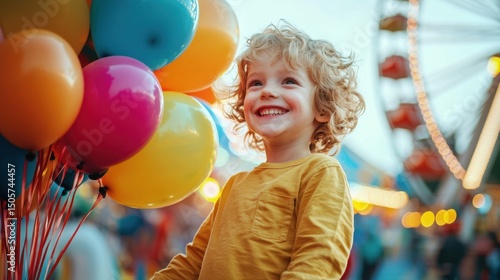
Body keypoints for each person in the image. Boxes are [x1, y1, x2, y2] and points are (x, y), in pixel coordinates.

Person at [150, 20, 365, 279]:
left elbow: (319, 259)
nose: (268, 91)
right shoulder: (235, 185)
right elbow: (193, 263)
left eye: (288, 81)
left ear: (321, 108)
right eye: (256, 83)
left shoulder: (320, 173)